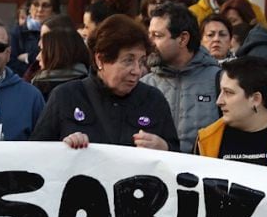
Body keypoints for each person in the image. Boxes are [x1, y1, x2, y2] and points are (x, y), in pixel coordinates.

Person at [30, 14, 178, 151]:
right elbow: (37, 155)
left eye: (141, 61)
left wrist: (164, 148)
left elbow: (178, 160)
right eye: (128, 60)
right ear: (100, 60)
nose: (137, 71)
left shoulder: (153, 100)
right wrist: (63, 148)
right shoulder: (66, 97)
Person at [142, 3, 221, 153]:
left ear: (183, 39)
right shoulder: (144, 84)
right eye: (149, 35)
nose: (149, 42)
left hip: (205, 173)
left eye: (157, 36)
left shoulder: (220, 81)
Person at [10, 0, 60, 73]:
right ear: (29, 8)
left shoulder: (61, 32)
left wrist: (28, 57)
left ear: (54, 10)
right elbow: (11, 64)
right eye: (36, 4)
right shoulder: (17, 32)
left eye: (45, 5)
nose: (40, 9)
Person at [30, 27, 90, 99]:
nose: (37, 57)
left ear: (57, 53)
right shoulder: (92, 82)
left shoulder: (39, 87)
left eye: (42, 50)